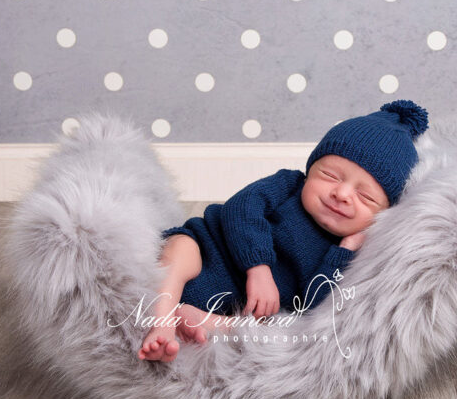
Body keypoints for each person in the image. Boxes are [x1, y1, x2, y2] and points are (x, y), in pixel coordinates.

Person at [138, 99, 429, 361]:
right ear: (310, 169)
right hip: (210, 253)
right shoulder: (288, 185)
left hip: (242, 308)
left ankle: (202, 322)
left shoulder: (353, 251)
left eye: (365, 197)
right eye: (330, 175)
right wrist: (258, 267)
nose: (342, 194)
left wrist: (344, 251)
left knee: (284, 327)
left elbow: (318, 304)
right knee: (181, 246)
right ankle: (162, 321)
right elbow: (242, 207)